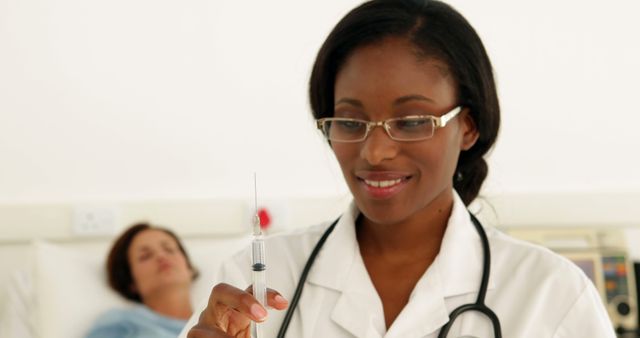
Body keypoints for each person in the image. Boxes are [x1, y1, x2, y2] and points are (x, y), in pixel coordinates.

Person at [183, 1, 615, 337]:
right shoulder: (253, 285)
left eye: (410, 122)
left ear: (468, 125)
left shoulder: (550, 295)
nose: (375, 153)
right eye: (351, 122)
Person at [85, 223, 198, 338]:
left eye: (169, 249)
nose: (161, 256)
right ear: (131, 282)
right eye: (146, 256)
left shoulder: (214, 322)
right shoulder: (121, 323)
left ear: (189, 268)